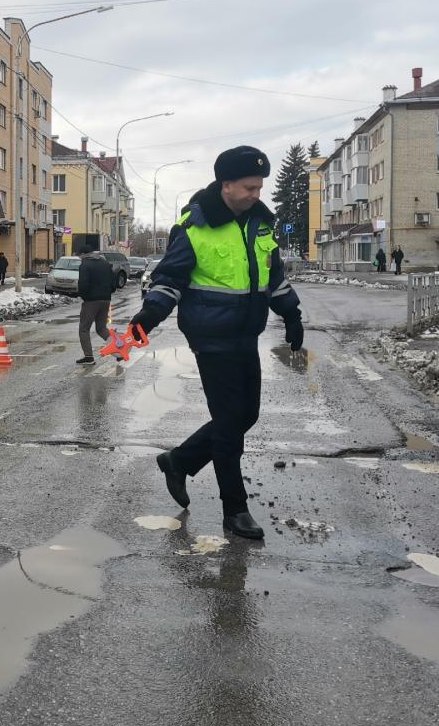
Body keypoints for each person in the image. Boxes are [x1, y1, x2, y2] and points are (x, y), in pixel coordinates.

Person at [130, 145, 302, 540]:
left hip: (246, 334)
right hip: (210, 337)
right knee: (229, 425)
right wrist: (149, 316)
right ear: (226, 185)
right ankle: (234, 509)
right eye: (248, 187)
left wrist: (290, 314)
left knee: (247, 415)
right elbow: (169, 279)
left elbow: (273, 278)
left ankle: (179, 460)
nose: (256, 194)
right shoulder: (196, 227)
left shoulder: (260, 224)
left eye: (260, 187)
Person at [74, 250, 116, 364]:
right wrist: (108, 292)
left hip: (91, 301)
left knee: (84, 329)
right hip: (106, 300)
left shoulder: (85, 265)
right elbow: (114, 282)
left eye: (79, 256)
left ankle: (88, 357)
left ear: (83, 255)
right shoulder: (105, 263)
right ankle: (118, 350)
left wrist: (84, 296)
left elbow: (83, 284)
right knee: (101, 328)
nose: (79, 258)